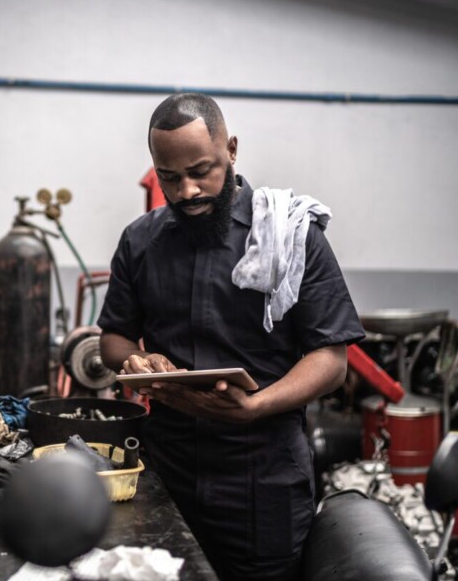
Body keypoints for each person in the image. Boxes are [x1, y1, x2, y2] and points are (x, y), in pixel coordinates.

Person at [98, 93, 365, 580]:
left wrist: (259, 405)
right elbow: (113, 338)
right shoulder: (140, 241)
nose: (187, 191)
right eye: (170, 177)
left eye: (202, 170)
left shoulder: (290, 237)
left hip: (262, 482)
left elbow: (330, 357)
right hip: (166, 471)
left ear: (233, 150)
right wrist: (136, 363)